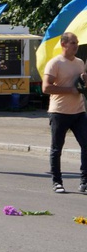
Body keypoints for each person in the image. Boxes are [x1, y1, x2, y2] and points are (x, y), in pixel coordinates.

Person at [41, 32, 86, 194]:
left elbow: (81, 84)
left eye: (77, 43)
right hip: (59, 112)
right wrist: (70, 90)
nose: (76, 46)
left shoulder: (80, 62)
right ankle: (57, 182)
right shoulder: (55, 63)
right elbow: (46, 88)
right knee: (57, 149)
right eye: (73, 43)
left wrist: (84, 81)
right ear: (63, 44)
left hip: (79, 111)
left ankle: (84, 182)